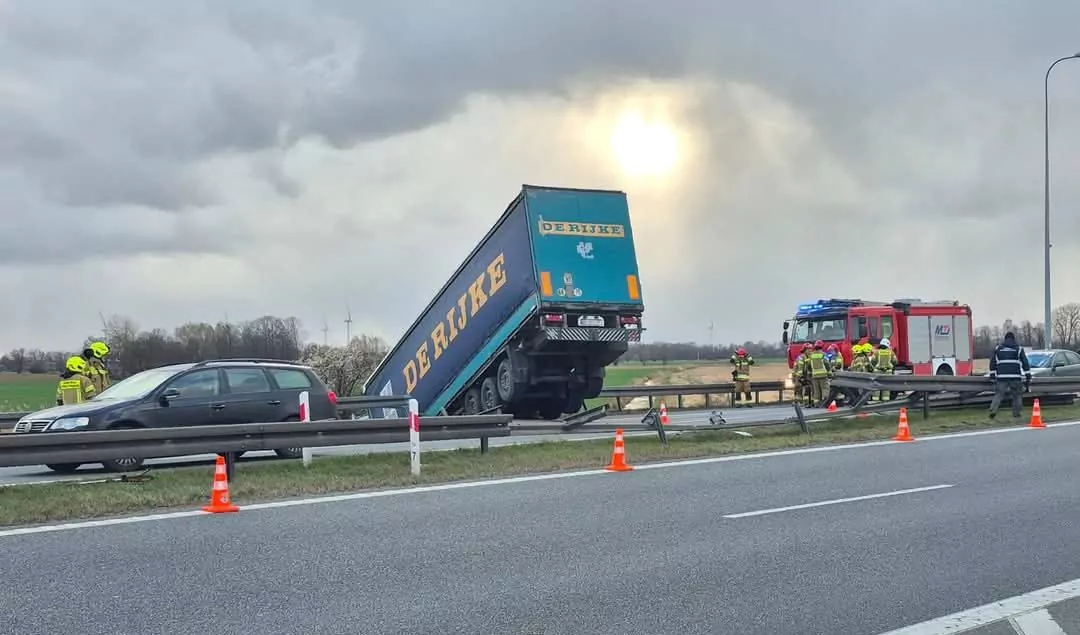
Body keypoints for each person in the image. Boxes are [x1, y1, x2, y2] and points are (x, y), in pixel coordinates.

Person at [988, 331, 1031, 419]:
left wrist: (992, 375)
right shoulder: (1019, 349)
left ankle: (993, 410)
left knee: (999, 394)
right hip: (1015, 377)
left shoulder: (998, 349)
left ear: (1005, 339)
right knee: (1017, 395)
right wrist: (1028, 375)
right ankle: (1016, 413)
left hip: (1001, 377)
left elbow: (993, 362)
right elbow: (1025, 363)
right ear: (1014, 339)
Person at [806, 340, 831, 407]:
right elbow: (827, 364)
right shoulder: (823, 354)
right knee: (824, 389)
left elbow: (808, 365)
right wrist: (829, 372)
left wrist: (810, 372)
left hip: (814, 376)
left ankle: (817, 404)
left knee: (816, 390)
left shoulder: (811, 355)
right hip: (823, 375)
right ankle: (824, 403)